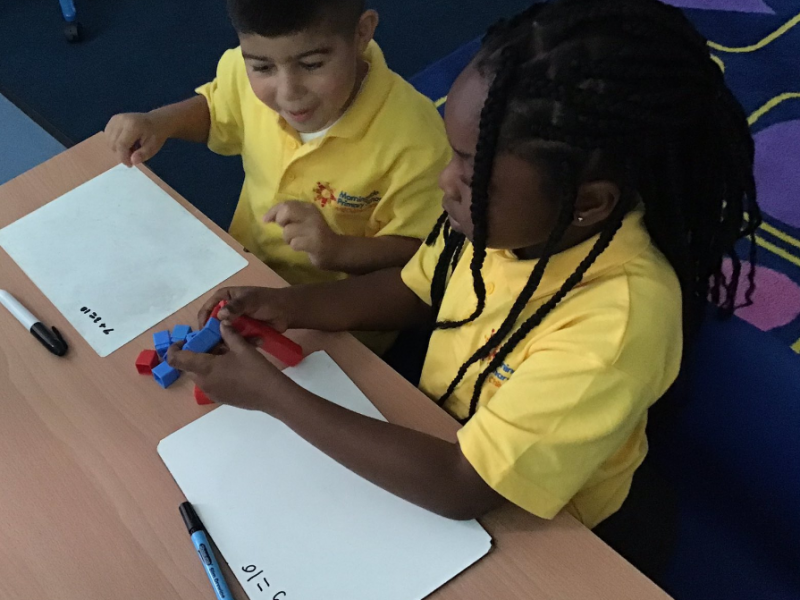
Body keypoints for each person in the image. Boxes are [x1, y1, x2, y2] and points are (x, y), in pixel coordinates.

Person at [167, 0, 761, 573]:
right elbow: (415, 287)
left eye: (473, 173)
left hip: (555, 529)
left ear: (587, 203)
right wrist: (289, 306)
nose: (445, 183)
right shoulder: (500, 222)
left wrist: (272, 395)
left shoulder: (616, 322)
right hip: (442, 434)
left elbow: (461, 486)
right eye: (454, 156)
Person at [104, 0, 449, 287]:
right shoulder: (241, 69)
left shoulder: (418, 143)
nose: (288, 93)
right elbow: (218, 109)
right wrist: (159, 122)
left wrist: (338, 250)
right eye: (263, 68)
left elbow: (423, 250)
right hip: (243, 266)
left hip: (336, 314)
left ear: (362, 32)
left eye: (312, 65)